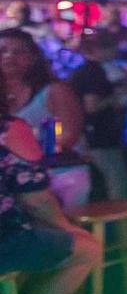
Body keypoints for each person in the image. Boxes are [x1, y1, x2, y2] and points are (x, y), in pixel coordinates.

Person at [0, 110, 101, 294]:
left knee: (37, 240)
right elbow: (35, 200)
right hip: (6, 242)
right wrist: (68, 228)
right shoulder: (8, 129)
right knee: (89, 248)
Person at [0, 28, 90, 208]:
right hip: (12, 179)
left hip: (59, 175)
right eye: (3, 51)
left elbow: (69, 137)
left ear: (33, 58)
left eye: (18, 52)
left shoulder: (55, 91)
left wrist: (21, 144)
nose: (9, 56)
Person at [70, 31, 127, 199]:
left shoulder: (85, 71)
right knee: (117, 179)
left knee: (113, 177)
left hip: (91, 133)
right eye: (112, 48)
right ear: (99, 49)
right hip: (97, 134)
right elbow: (92, 106)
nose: (115, 52)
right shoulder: (94, 73)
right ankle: (121, 220)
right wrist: (120, 94)